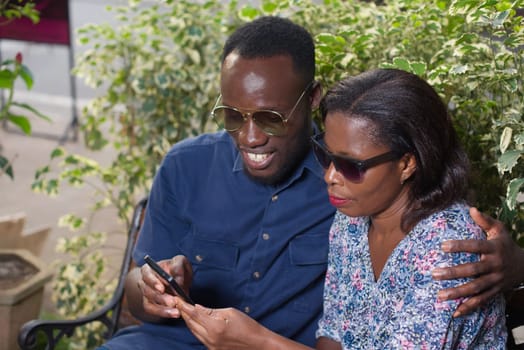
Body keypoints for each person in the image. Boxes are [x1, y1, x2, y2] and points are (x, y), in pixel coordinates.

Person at [99, 16, 523, 350]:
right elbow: (335, 334)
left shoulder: (381, 204)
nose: (249, 137)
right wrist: (153, 288)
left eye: (270, 117)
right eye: (232, 115)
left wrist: (516, 265)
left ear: (312, 99)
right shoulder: (351, 218)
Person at [176, 69, 508, 349]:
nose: (330, 176)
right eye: (326, 156)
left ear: (407, 163)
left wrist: (258, 342)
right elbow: (332, 336)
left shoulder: (450, 248)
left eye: (351, 165)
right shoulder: (351, 222)